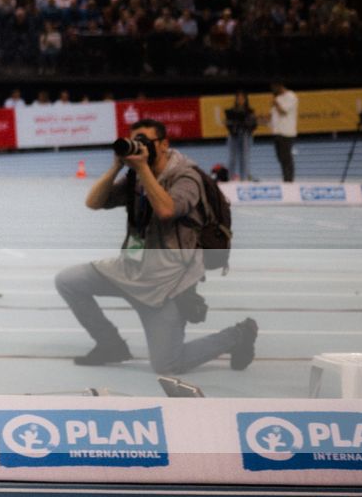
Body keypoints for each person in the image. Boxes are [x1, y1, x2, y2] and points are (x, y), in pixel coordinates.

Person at [57, 118, 257, 377]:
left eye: (144, 141)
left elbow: (166, 209)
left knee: (167, 365)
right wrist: (117, 165)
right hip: (129, 270)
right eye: (134, 141)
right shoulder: (136, 175)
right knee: (67, 281)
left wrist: (142, 169)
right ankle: (111, 345)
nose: (138, 146)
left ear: (163, 145)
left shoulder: (186, 176)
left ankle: (238, 335)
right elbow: (94, 202)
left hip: (167, 283)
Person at [224, 90, 258, 182]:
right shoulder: (231, 111)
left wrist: (247, 127)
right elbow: (227, 123)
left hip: (245, 136)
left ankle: (244, 178)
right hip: (233, 135)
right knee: (232, 157)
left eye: (242, 98)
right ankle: (230, 178)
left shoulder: (250, 111)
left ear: (245, 100)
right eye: (238, 98)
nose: (240, 100)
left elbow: (254, 125)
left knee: (244, 157)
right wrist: (233, 128)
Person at [268, 81, 298, 182]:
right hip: (277, 132)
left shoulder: (291, 96)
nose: (272, 90)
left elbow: (284, 111)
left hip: (287, 132)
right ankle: (285, 178)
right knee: (280, 158)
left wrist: (276, 103)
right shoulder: (277, 98)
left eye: (274, 87)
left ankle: (289, 180)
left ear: (279, 86)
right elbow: (273, 116)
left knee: (287, 158)